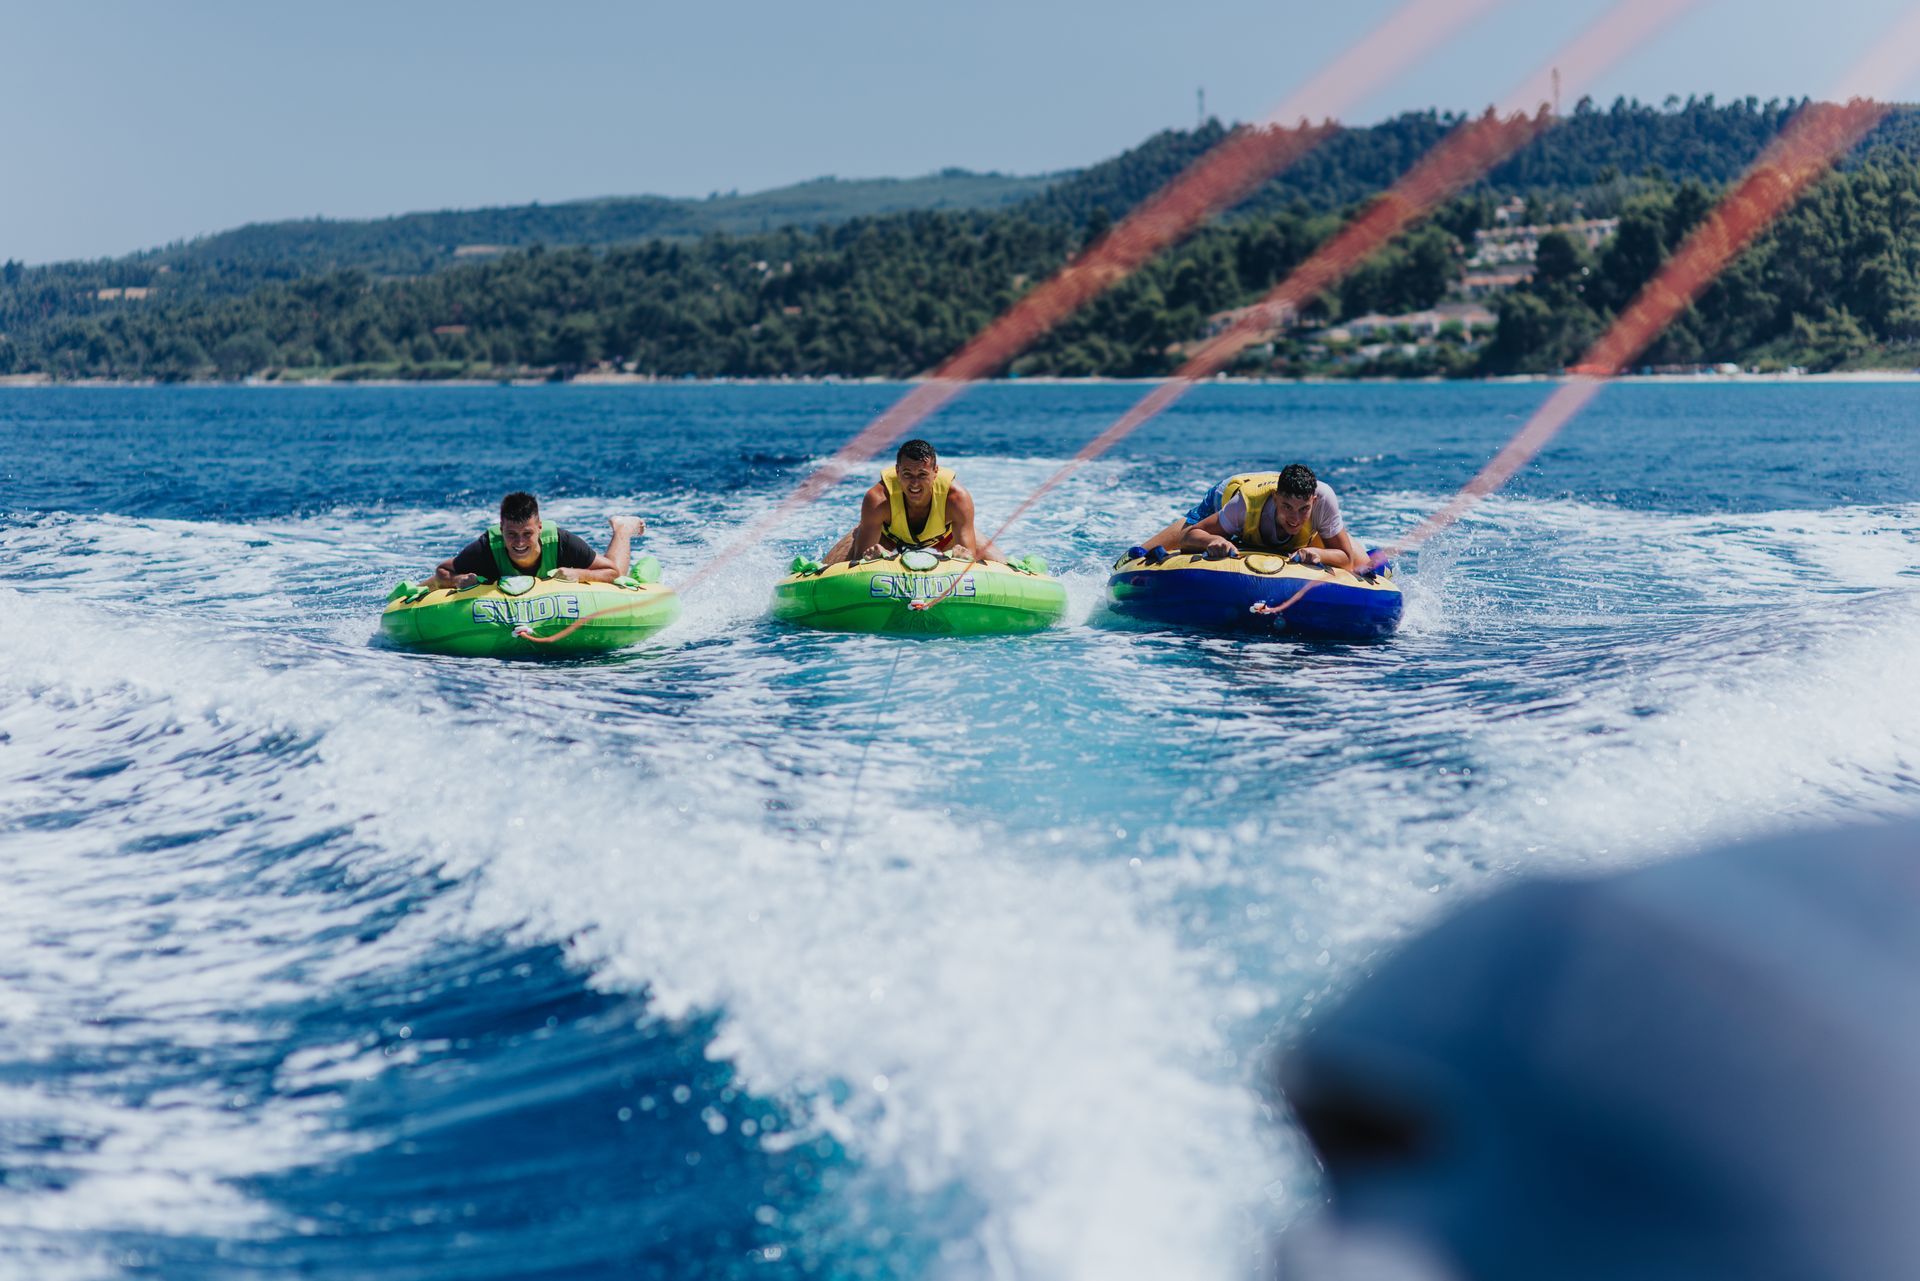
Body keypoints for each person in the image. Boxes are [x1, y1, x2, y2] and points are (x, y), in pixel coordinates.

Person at [1143, 463, 1366, 569]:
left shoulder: (1323, 500)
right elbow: (1190, 537)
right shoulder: (1244, 505)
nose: (1295, 519)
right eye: (1287, 507)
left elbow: (1347, 560)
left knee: (1363, 564)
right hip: (1223, 498)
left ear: (1313, 502)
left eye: (1303, 509)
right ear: (1276, 498)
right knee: (1143, 553)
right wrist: (1214, 540)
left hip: (1289, 504)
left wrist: (1317, 553)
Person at [823, 439, 1003, 564]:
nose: (915, 483)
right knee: (829, 568)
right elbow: (859, 559)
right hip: (886, 539)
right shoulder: (878, 499)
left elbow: (966, 556)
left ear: (935, 473)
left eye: (922, 475)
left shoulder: (956, 499)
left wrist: (961, 555)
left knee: (1001, 564)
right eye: (907, 474)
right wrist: (870, 556)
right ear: (897, 471)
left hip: (945, 539)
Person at [424, 492, 645, 590]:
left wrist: (580, 574)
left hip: (577, 564)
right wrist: (457, 581)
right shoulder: (486, 549)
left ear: (539, 528)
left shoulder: (562, 542)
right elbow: (442, 570)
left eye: (527, 533)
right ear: (501, 530)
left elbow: (613, 571)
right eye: (511, 534)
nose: (519, 542)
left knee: (622, 575)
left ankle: (622, 529)